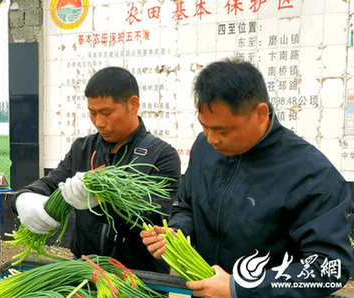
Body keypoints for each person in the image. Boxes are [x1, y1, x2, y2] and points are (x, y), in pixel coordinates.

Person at [141, 57, 353, 297]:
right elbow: (188, 206)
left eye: (223, 130)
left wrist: (241, 288)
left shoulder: (312, 175)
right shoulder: (205, 148)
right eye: (204, 126)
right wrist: (177, 232)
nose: (211, 139)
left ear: (261, 113)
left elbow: (329, 270)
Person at [9, 66, 181, 273]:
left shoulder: (162, 155)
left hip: (139, 278)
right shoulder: (83, 148)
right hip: (85, 273)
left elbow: (146, 216)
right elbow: (51, 183)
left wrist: (99, 203)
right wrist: (23, 198)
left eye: (106, 113)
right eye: (92, 113)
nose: (99, 123)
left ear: (133, 105)